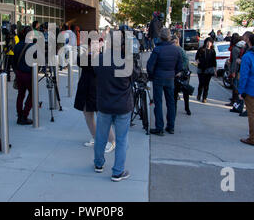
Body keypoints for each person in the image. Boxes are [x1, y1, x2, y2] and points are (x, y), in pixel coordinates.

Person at [93, 30, 138, 182]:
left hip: (104, 104)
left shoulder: (99, 59)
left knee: (101, 136)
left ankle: (98, 164)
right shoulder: (127, 61)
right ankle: (117, 171)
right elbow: (136, 76)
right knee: (121, 139)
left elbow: (96, 73)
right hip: (122, 106)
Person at [74, 38, 116, 153]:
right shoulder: (88, 56)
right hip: (85, 88)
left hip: (97, 89)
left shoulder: (102, 58)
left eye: (96, 44)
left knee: (102, 116)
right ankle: (96, 137)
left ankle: (112, 141)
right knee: (87, 114)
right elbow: (79, 61)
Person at [147, 28, 183, 135]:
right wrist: (173, 73)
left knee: (158, 103)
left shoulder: (158, 49)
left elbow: (150, 66)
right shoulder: (176, 49)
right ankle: (171, 126)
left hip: (158, 77)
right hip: (170, 78)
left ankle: (159, 128)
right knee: (170, 102)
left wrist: (151, 76)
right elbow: (180, 66)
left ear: (161, 37)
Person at [13, 26, 35, 125]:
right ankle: (24, 115)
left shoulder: (17, 45)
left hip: (19, 73)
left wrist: (16, 71)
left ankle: (19, 114)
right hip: (29, 74)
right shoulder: (33, 46)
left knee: (20, 95)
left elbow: (12, 61)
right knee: (32, 94)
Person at [172, 35, 191, 116]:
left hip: (183, 74)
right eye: (172, 42)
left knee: (185, 92)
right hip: (175, 74)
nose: (174, 44)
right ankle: (174, 110)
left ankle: (187, 108)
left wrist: (181, 70)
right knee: (175, 93)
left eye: (175, 42)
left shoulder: (180, 50)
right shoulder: (172, 50)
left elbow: (186, 60)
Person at [195, 37, 217, 103]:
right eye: (207, 42)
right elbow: (196, 57)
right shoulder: (201, 49)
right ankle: (199, 94)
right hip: (201, 69)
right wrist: (197, 61)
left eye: (210, 42)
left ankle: (204, 97)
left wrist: (215, 70)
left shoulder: (213, 51)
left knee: (206, 84)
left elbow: (214, 61)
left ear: (212, 43)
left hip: (209, 69)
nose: (208, 43)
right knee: (201, 83)